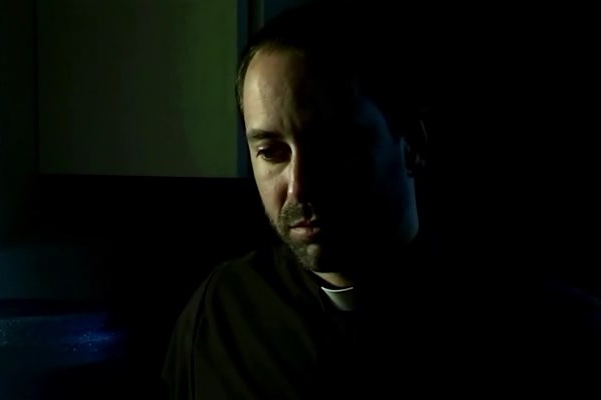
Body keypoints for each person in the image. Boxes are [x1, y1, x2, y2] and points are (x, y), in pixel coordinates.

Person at [162, 2, 600, 398]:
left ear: (412, 143)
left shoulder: (545, 329)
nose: (298, 188)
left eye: (332, 146)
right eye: (271, 152)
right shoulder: (222, 315)